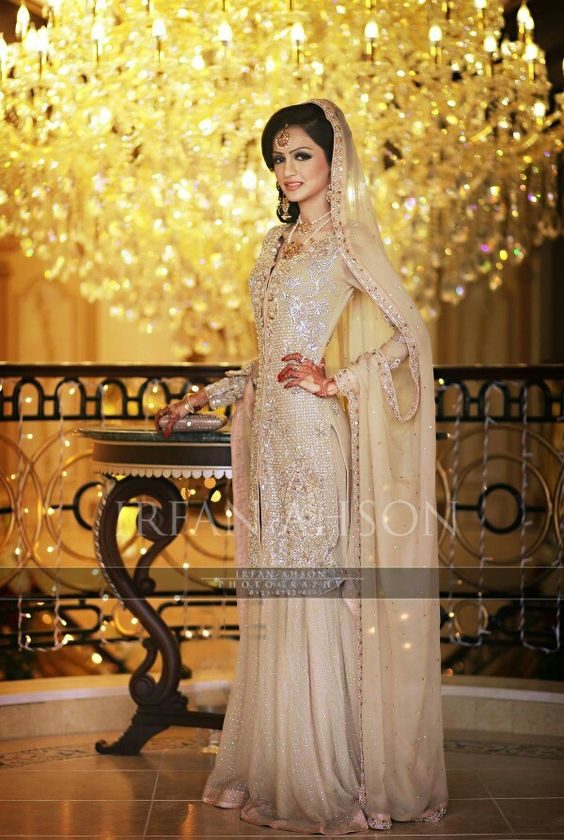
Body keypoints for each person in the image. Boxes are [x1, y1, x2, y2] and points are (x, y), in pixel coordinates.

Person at [154, 99, 448, 834]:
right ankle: (281, 765)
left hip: (316, 440)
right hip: (273, 444)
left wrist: (336, 381)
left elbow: (411, 338)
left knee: (316, 594)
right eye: (278, 158)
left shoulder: (347, 241)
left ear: (331, 159)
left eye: (300, 155)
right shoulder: (273, 245)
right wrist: (202, 397)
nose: (287, 170)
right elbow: (267, 359)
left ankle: (330, 775)